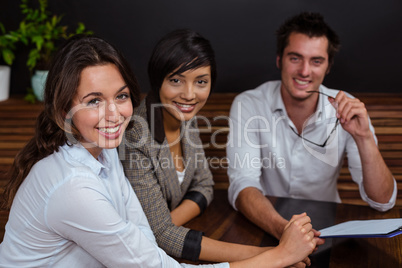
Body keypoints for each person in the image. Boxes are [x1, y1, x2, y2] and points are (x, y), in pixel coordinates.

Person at [0, 34, 316, 267]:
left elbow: (151, 231)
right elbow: (157, 244)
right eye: (94, 100)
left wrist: (163, 226)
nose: (113, 114)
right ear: (62, 109)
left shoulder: (104, 149)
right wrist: (279, 255)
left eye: (120, 96)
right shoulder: (75, 185)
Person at [121, 29, 317, 266]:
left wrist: (165, 225)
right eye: (176, 80)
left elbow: (205, 185)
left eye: (201, 81)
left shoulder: (183, 115)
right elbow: (162, 236)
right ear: (157, 79)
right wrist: (273, 255)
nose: (189, 94)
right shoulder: (135, 138)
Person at [226, 11, 397, 241]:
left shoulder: (347, 107)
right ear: (279, 59)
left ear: (328, 66)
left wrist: (364, 137)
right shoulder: (249, 104)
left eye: (316, 61)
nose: (305, 71)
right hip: (265, 223)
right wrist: (285, 232)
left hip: (328, 228)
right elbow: (243, 184)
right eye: (295, 58)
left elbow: (383, 202)